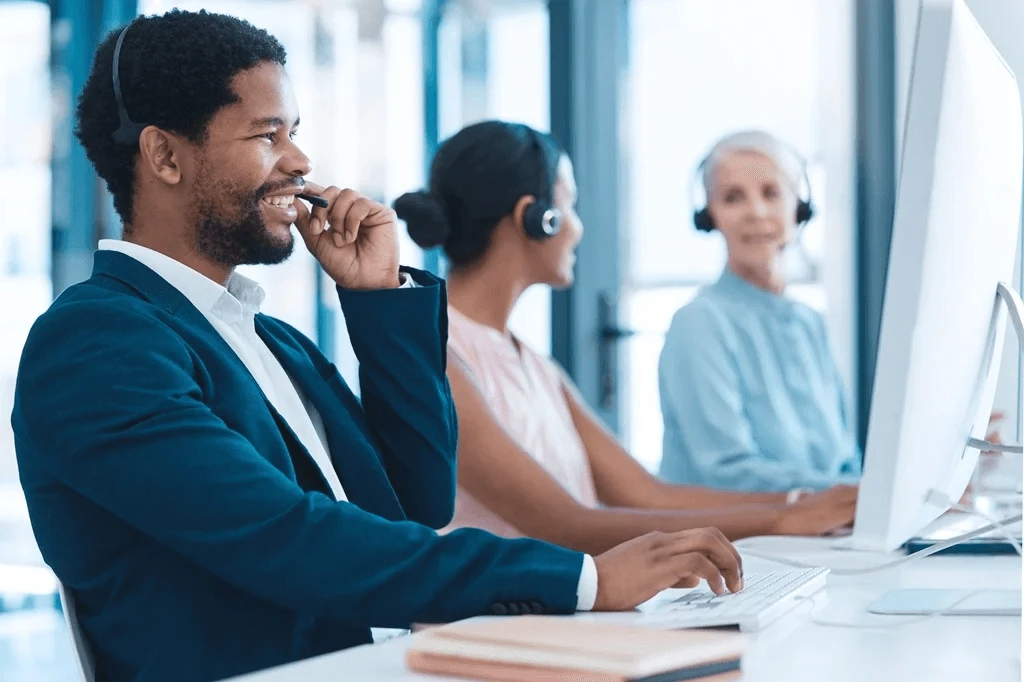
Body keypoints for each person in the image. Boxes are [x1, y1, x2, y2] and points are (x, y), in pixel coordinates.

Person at [10, 12, 742, 682]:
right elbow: (289, 539)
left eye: (294, 130)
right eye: (267, 135)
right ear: (165, 157)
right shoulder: (96, 343)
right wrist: (585, 580)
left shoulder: (270, 340)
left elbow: (416, 504)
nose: (298, 160)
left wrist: (378, 299)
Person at [394, 121, 857, 558]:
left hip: (555, 618)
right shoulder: (442, 359)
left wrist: (800, 505)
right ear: (536, 218)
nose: (578, 228)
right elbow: (566, 524)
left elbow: (645, 493)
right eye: (570, 206)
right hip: (491, 633)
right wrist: (784, 519)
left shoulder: (534, 364)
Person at [656, 130, 862, 493]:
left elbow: (846, 461)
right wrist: (853, 496)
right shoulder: (697, 324)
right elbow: (725, 473)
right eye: (733, 198)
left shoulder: (811, 324)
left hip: (822, 536)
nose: (756, 212)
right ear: (709, 216)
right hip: (734, 541)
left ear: (799, 207)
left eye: (771, 193)